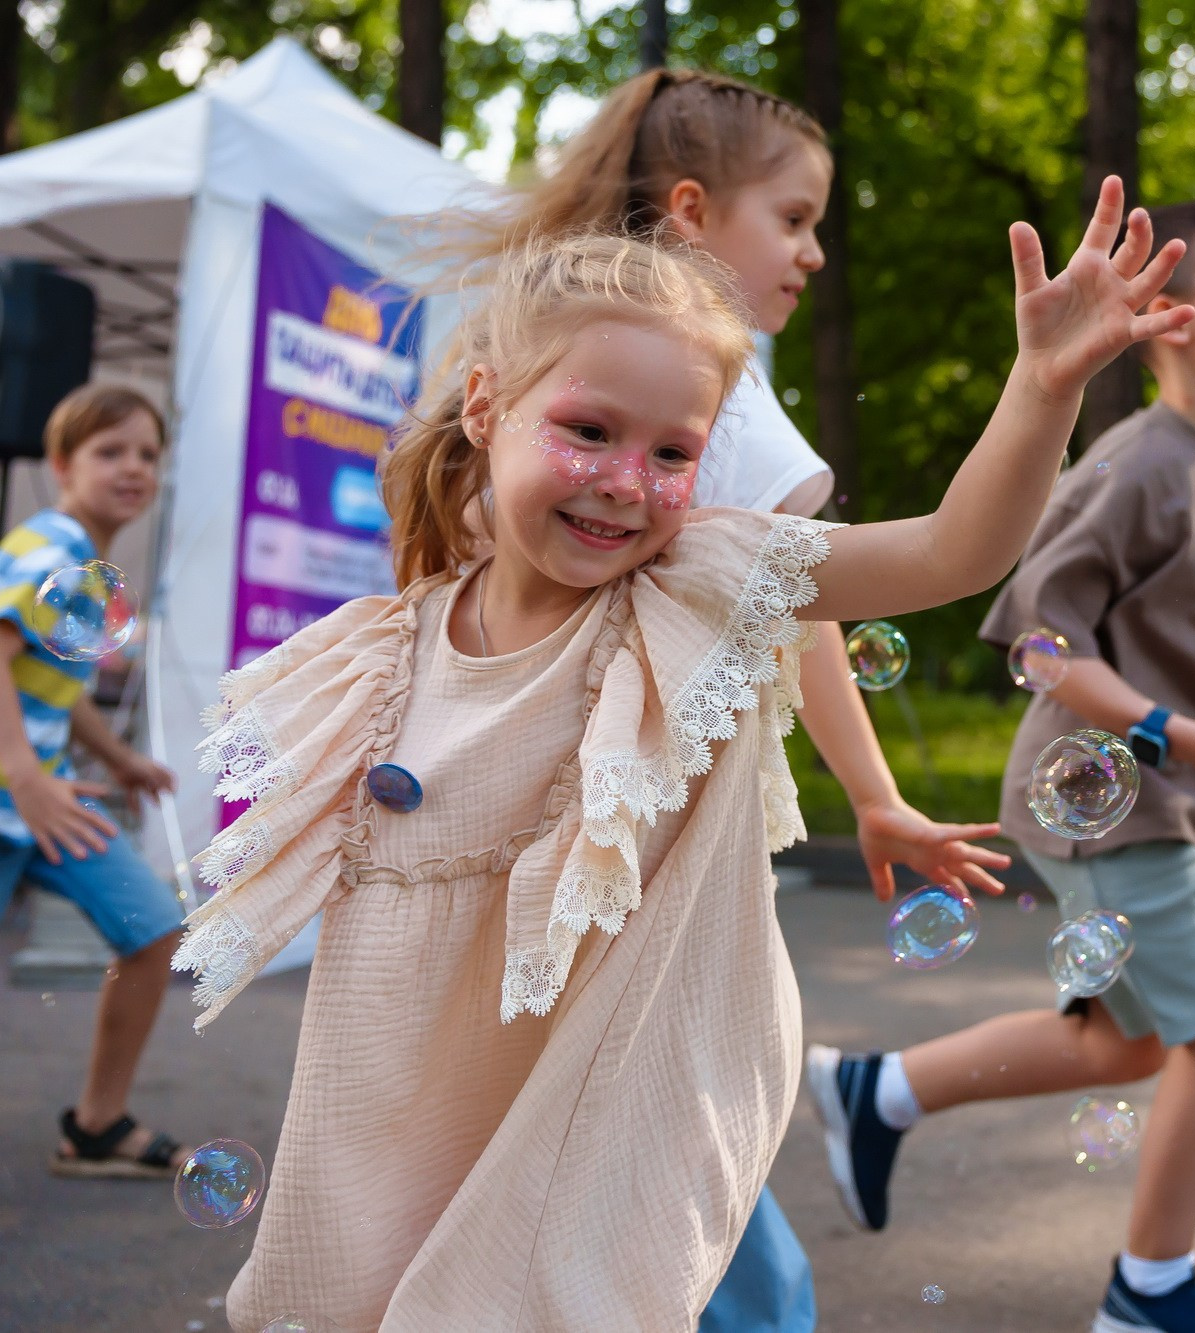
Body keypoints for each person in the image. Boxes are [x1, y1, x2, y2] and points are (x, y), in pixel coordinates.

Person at [174, 184, 1190, 1330]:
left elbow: (953, 551)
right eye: (588, 430)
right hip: (399, 1109)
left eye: (673, 451)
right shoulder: (384, 654)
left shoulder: (701, 590)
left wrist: (1043, 387)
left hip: (603, 1117)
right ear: (483, 405)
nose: (624, 481)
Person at [473, 67, 1015, 1332]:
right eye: (796, 219)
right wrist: (876, 795)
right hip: (642, 842)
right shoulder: (712, 381)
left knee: (630, 1173)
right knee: (700, 1219)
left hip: (584, 825)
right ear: (692, 213)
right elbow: (813, 597)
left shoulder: (571, 354)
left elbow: (773, 600)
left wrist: (873, 795)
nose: (815, 254)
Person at [807, 197, 1195, 1333]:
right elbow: (1043, 644)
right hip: (1103, 803)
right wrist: (1178, 738)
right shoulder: (1132, 463)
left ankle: (876, 1090)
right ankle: (1147, 1295)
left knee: (1125, 1043)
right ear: (1172, 317)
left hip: (1159, 796)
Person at [0, 383, 186, 1178]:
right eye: (111, 451)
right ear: (63, 463)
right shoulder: (49, 547)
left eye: (147, 454)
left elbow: (50, 685)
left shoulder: (90, 572)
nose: (133, 468)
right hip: (6, 800)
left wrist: (119, 757)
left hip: (46, 803)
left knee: (152, 927)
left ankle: (96, 1125)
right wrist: (27, 779)